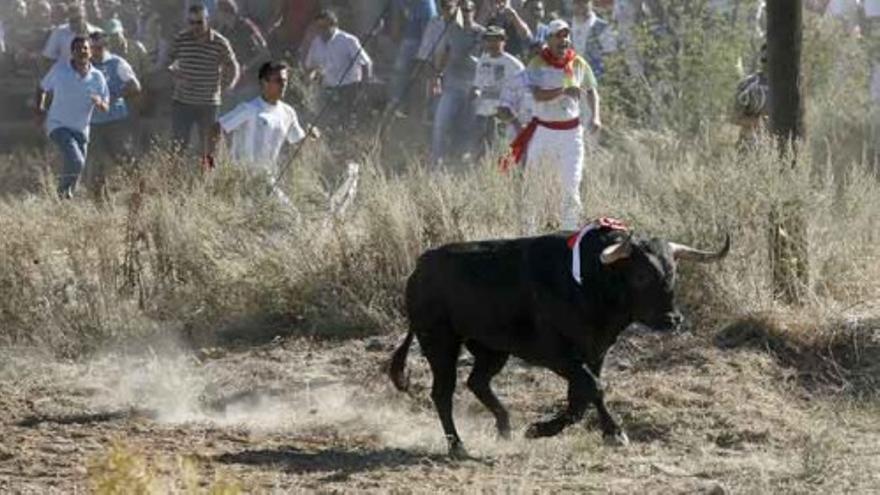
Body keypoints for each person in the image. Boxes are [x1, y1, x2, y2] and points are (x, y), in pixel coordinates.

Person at [510, 19, 600, 232]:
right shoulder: (537, 64)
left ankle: (569, 234)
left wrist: (596, 116)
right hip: (544, 132)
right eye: (558, 36)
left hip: (572, 134)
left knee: (571, 187)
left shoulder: (578, 62)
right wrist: (563, 91)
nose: (563, 40)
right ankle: (529, 233)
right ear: (548, 39)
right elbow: (537, 95)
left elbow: (591, 89)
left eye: (566, 35)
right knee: (533, 185)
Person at [209, 61, 319, 203]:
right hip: (241, 179)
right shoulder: (248, 108)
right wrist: (210, 163)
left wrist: (312, 137)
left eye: (285, 81)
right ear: (264, 83)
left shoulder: (288, 112)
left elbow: (298, 142)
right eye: (278, 81)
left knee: (291, 218)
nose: (283, 85)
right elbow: (215, 129)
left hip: (268, 180)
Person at [35, 36, 109, 199]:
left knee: (76, 168)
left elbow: (105, 106)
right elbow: (42, 88)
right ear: (72, 53)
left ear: (90, 52)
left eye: (85, 48)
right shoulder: (60, 70)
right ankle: (61, 193)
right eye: (78, 49)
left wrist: (99, 103)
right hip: (58, 125)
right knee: (76, 161)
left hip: (82, 129)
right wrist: (40, 108)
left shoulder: (98, 77)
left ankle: (64, 201)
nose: (82, 51)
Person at [168, 3, 240, 160]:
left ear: (207, 20)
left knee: (209, 147)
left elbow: (233, 66)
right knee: (178, 145)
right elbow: (168, 62)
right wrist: (175, 76)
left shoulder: (220, 42)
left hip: (208, 103)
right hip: (183, 101)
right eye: (191, 22)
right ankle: (174, 177)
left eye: (199, 22)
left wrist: (228, 85)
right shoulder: (181, 39)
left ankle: (206, 180)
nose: (195, 26)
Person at [430, 0, 484, 165]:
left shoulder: (482, 33)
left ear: (474, 11)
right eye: (462, 10)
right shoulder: (451, 31)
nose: (465, 13)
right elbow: (442, 54)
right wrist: (436, 76)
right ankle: (436, 161)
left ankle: (463, 163)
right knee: (441, 123)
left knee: (468, 129)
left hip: (473, 87)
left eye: (468, 10)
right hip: (452, 86)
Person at [87, 31, 141, 196]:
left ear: (105, 46)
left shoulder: (116, 63)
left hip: (115, 120)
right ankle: (100, 201)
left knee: (123, 157)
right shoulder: (84, 65)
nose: (95, 50)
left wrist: (114, 95)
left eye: (99, 47)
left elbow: (135, 86)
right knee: (96, 162)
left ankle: (139, 189)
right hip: (93, 121)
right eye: (92, 47)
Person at [304, 9, 373, 131]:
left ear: (333, 25)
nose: (321, 31)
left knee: (347, 123)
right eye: (319, 27)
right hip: (328, 88)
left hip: (349, 88)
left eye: (324, 27)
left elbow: (366, 63)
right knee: (327, 123)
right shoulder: (316, 42)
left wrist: (364, 88)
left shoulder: (348, 40)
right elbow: (310, 66)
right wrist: (309, 80)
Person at [473, 26, 524, 156]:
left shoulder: (514, 65)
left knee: (501, 152)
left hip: (502, 117)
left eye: (496, 39)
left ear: (504, 41)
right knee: (480, 152)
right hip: (483, 114)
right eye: (489, 40)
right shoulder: (483, 60)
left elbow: (522, 93)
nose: (492, 43)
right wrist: (475, 92)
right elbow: (477, 84)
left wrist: (515, 118)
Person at [214, 0, 270, 108]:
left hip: (250, 79)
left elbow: (263, 52)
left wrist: (247, 66)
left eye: (219, 13)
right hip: (233, 80)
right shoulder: (223, 30)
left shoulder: (246, 28)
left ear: (225, 13)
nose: (217, 16)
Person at [388, 0, 438, 114]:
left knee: (422, 72)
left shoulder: (426, 4)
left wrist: (423, 55)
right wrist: (395, 33)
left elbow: (428, 32)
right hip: (408, 37)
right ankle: (397, 102)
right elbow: (397, 17)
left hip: (423, 39)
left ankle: (428, 109)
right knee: (399, 68)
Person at [732, 43, 768, 150]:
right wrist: (760, 122)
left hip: (781, 150)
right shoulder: (748, 84)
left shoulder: (789, 87)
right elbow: (735, 117)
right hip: (751, 145)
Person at [570, 0, 615, 79]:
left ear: (591, 3)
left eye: (584, 2)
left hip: (597, 78)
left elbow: (611, 56)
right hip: (572, 80)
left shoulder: (603, 27)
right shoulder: (566, 27)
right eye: (577, 2)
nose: (580, 5)